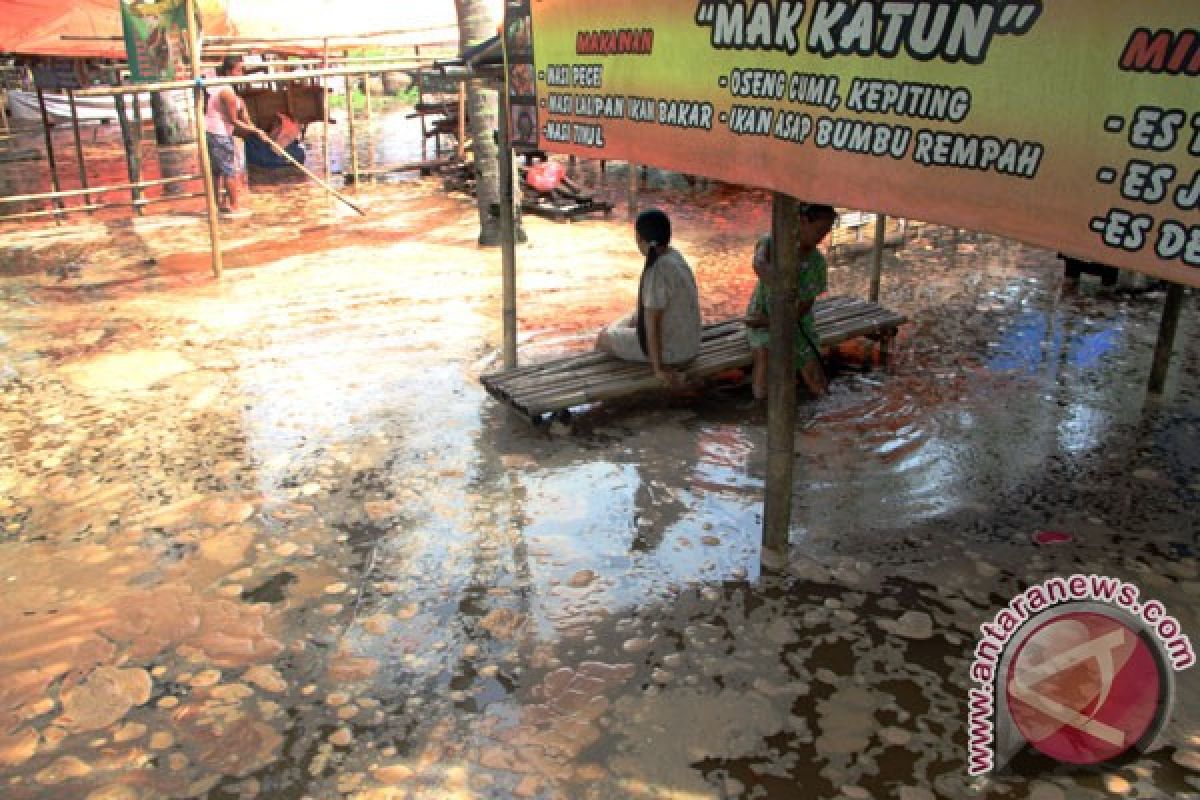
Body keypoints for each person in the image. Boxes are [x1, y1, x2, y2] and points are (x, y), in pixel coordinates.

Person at [595, 209, 701, 388]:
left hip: (674, 351)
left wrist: (658, 369)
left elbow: (653, 325)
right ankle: (617, 330)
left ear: (641, 240)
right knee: (636, 315)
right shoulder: (674, 255)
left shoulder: (657, 270)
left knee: (602, 339)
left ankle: (611, 330)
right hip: (690, 344)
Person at [744, 202, 837, 402]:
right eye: (820, 230)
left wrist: (774, 321)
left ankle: (821, 411)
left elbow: (805, 306)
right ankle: (761, 406)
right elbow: (759, 263)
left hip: (796, 320)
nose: (823, 237)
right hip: (762, 314)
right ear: (803, 222)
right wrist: (781, 291)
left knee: (812, 371)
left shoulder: (817, 263)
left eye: (827, 231)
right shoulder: (772, 242)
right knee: (764, 356)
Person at [205, 56, 254, 215]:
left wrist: (246, 116)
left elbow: (239, 106)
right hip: (220, 134)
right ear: (229, 71)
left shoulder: (221, 87)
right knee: (228, 171)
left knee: (217, 171)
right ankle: (234, 206)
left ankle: (216, 204)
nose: (241, 74)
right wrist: (253, 130)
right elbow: (234, 120)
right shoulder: (227, 92)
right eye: (238, 70)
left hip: (213, 132)